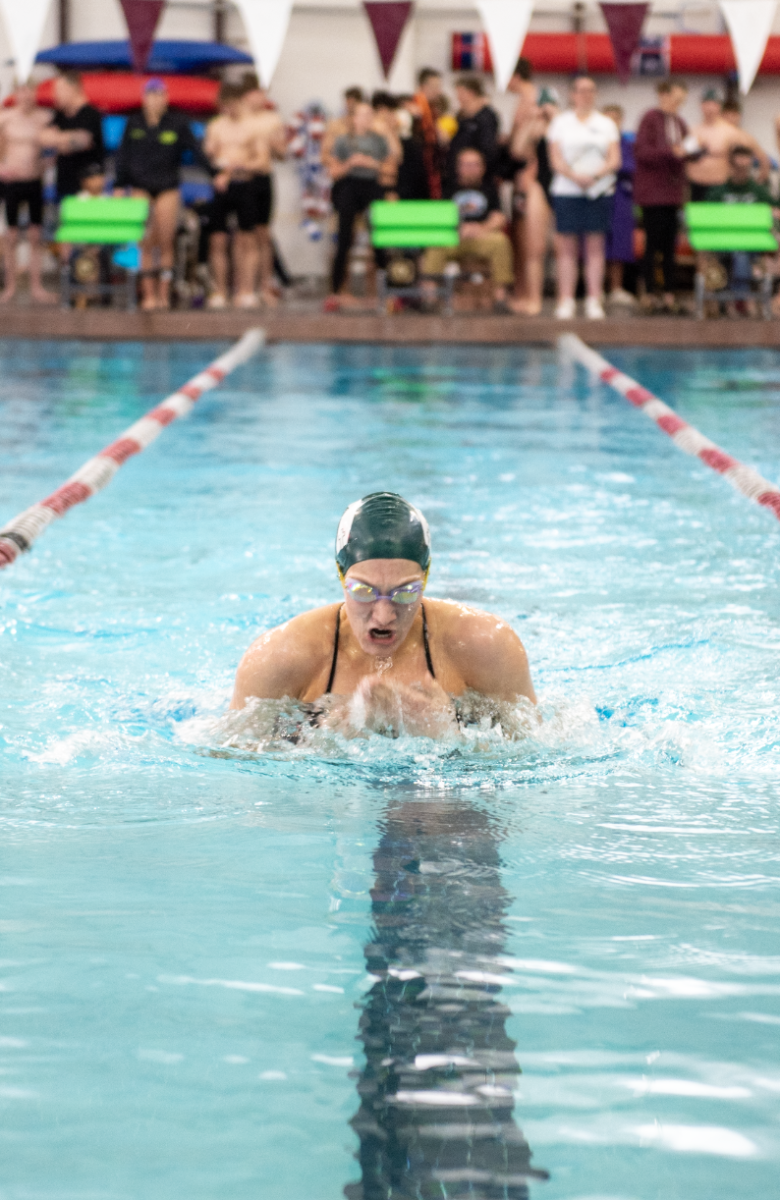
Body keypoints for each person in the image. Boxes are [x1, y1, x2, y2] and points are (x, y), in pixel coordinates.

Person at [230, 492, 536, 738]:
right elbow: (229, 761)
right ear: (340, 575)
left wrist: (446, 735)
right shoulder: (280, 657)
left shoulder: (485, 645)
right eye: (364, 591)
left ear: (426, 579)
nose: (384, 615)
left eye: (405, 592)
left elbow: (540, 752)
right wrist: (325, 744)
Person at [114, 78, 213, 311]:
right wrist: (120, 185)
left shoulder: (178, 123)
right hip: (141, 185)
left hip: (167, 186)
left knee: (166, 241)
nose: (156, 99)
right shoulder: (134, 122)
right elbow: (123, 155)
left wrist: (214, 172)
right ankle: (148, 295)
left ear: (167, 98)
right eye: (152, 95)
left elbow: (196, 151)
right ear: (144, 97)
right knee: (146, 242)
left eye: (161, 95)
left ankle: (163, 295)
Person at [547, 76, 620, 320]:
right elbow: (555, 158)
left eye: (590, 90)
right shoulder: (560, 123)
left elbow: (614, 159)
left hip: (598, 190)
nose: (585, 95)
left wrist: (594, 176)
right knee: (566, 248)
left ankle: (593, 300)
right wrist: (574, 176)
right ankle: (566, 299)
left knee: (595, 247)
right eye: (581, 91)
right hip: (567, 190)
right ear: (572, 94)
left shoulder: (606, 124)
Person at [421, 146, 519, 312]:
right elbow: (438, 216)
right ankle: (429, 298)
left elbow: (500, 217)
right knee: (435, 242)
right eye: (466, 164)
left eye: (474, 165)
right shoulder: (447, 187)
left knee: (501, 242)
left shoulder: (490, 189)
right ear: (458, 167)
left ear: (482, 168)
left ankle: (500, 297)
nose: (470, 169)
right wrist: (459, 228)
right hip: (453, 237)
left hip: (482, 236)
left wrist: (481, 228)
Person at [204, 81, 274, 309]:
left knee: (247, 239)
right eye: (225, 106)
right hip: (222, 187)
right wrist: (216, 163)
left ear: (240, 103)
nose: (229, 110)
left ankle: (246, 290)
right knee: (217, 240)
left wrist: (238, 166)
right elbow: (208, 155)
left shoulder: (254, 127)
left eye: (232, 105)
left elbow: (262, 162)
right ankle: (220, 291)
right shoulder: (216, 126)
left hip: (245, 185)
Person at [324, 100, 392, 310]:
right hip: (349, 186)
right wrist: (350, 163)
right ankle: (335, 291)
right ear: (353, 118)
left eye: (369, 115)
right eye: (362, 115)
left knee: (379, 239)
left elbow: (390, 171)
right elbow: (334, 172)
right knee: (344, 239)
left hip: (371, 186)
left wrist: (373, 164)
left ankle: (387, 291)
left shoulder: (379, 141)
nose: (366, 119)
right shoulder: (343, 141)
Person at [634, 78, 691, 314]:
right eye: (675, 99)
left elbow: (685, 151)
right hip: (653, 193)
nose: (677, 105)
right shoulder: (650, 119)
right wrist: (672, 152)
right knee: (652, 245)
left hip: (672, 193)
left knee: (669, 246)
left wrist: (694, 153)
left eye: (681, 102)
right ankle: (649, 292)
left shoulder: (679, 122)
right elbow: (643, 152)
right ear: (664, 96)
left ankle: (668, 292)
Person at [0, 82, 56, 304]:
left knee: (35, 236)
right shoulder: (6, 118)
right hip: (12, 182)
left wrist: (46, 164)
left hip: (34, 181)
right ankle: (10, 287)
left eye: (30, 91)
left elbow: (52, 149)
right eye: (22, 90)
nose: (26, 96)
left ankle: (36, 287)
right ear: (16, 93)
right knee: (11, 237)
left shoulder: (43, 119)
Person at [705, 144, 778, 315]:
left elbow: (776, 214)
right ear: (731, 167)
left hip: (753, 245)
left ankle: (739, 300)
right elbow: (707, 220)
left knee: (742, 253)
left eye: (746, 167)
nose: (742, 172)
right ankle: (738, 300)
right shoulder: (718, 193)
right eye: (738, 167)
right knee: (730, 253)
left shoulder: (759, 193)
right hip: (723, 244)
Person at [508, 86, 559, 314]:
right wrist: (530, 120)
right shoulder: (536, 127)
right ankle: (534, 299)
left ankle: (563, 300)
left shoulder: (564, 125)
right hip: (539, 186)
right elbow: (517, 150)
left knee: (562, 248)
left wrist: (555, 117)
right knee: (534, 248)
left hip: (563, 187)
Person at [239, 74, 288, 306]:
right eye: (256, 92)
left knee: (263, 234)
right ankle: (244, 288)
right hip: (241, 180)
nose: (260, 97)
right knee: (242, 237)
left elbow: (282, 154)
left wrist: (275, 144)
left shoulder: (272, 119)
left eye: (263, 93)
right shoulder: (239, 119)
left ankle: (265, 285)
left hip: (263, 179)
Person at [686, 88, 766, 198]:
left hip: (720, 187)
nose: (710, 107)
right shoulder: (692, 131)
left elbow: (760, 156)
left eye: (714, 104)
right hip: (695, 186)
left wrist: (757, 183)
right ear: (701, 105)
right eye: (706, 103)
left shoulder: (730, 131)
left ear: (720, 106)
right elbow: (681, 156)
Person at [39, 71, 104, 202]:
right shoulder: (60, 116)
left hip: (88, 189)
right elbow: (42, 138)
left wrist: (57, 139)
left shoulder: (90, 114)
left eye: (59, 90)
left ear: (72, 89)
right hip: (64, 187)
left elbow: (83, 141)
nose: (55, 95)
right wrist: (67, 139)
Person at [601, 104, 636, 308]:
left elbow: (630, 166)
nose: (612, 123)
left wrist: (611, 165)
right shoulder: (592, 140)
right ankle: (595, 289)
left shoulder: (625, 143)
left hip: (620, 197)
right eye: (608, 118)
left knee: (619, 244)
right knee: (595, 243)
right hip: (595, 195)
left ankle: (615, 288)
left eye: (616, 118)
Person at [445, 76, 500, 191]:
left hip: (478, 178)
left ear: (470, 93)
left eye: (460, 93)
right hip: (457, 176)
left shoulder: (486, 116)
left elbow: (488, 147)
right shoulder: (460, 116)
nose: (458, 98)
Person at [721, 98, 771, 182]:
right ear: (721, 115)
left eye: (733, 115)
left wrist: (758, 182)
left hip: (738, 183)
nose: (730, 118)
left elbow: (764, 160)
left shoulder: (746, 138)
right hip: (717, 182)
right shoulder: (715, 136)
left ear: (739, 116)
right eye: (726, 115)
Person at [412, 67, 443, 198]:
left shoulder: (432, 109)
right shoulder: (414, 107)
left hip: (430, 162)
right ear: (423, 86)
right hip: (418, 165)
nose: (438, 91)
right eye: (435, 87)